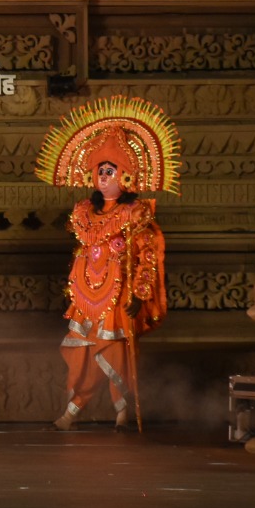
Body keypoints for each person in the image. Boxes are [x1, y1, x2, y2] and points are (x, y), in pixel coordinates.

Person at [35, 97, 178, 432]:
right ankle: (72, 410)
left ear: (125, 176)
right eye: (99, 171)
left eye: (109, 171)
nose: (102, 177)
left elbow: (148, 258)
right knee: (81, 354)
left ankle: (120, 409)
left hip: (117, 295)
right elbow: (81, 254)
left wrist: (140, 294)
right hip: (85, 295)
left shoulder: (135, 214)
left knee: (114, 354)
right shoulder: (84, 212)